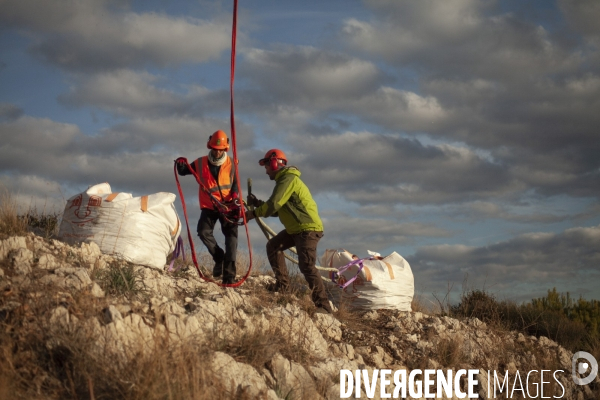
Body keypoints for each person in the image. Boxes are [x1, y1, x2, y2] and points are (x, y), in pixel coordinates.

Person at [245, 149, 333, 314]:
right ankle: (283, 286)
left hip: (307, 229)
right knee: (273, 247)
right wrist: (257, 203)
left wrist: (251, 214)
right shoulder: (283, 181)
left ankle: (324, 306)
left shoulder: (288, 179)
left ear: (274, 163)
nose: (265, 171)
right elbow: (278, 209)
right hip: (297, 230)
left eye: (266, 166)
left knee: (306, 265)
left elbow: (273, 205)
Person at [176, 130, 239, 285]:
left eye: (220, 149)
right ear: (210, 146)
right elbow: (184, 171)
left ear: (225, 149)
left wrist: (236, 198)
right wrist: (180, 164)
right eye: (214, 149)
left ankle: (229, 277)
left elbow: (236, 184)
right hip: (209, 206)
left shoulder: (232, 163)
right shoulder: (200, 162)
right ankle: (219, 257)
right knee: (203, 231)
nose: (217, 152)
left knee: (231, 239)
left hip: (228, 206)